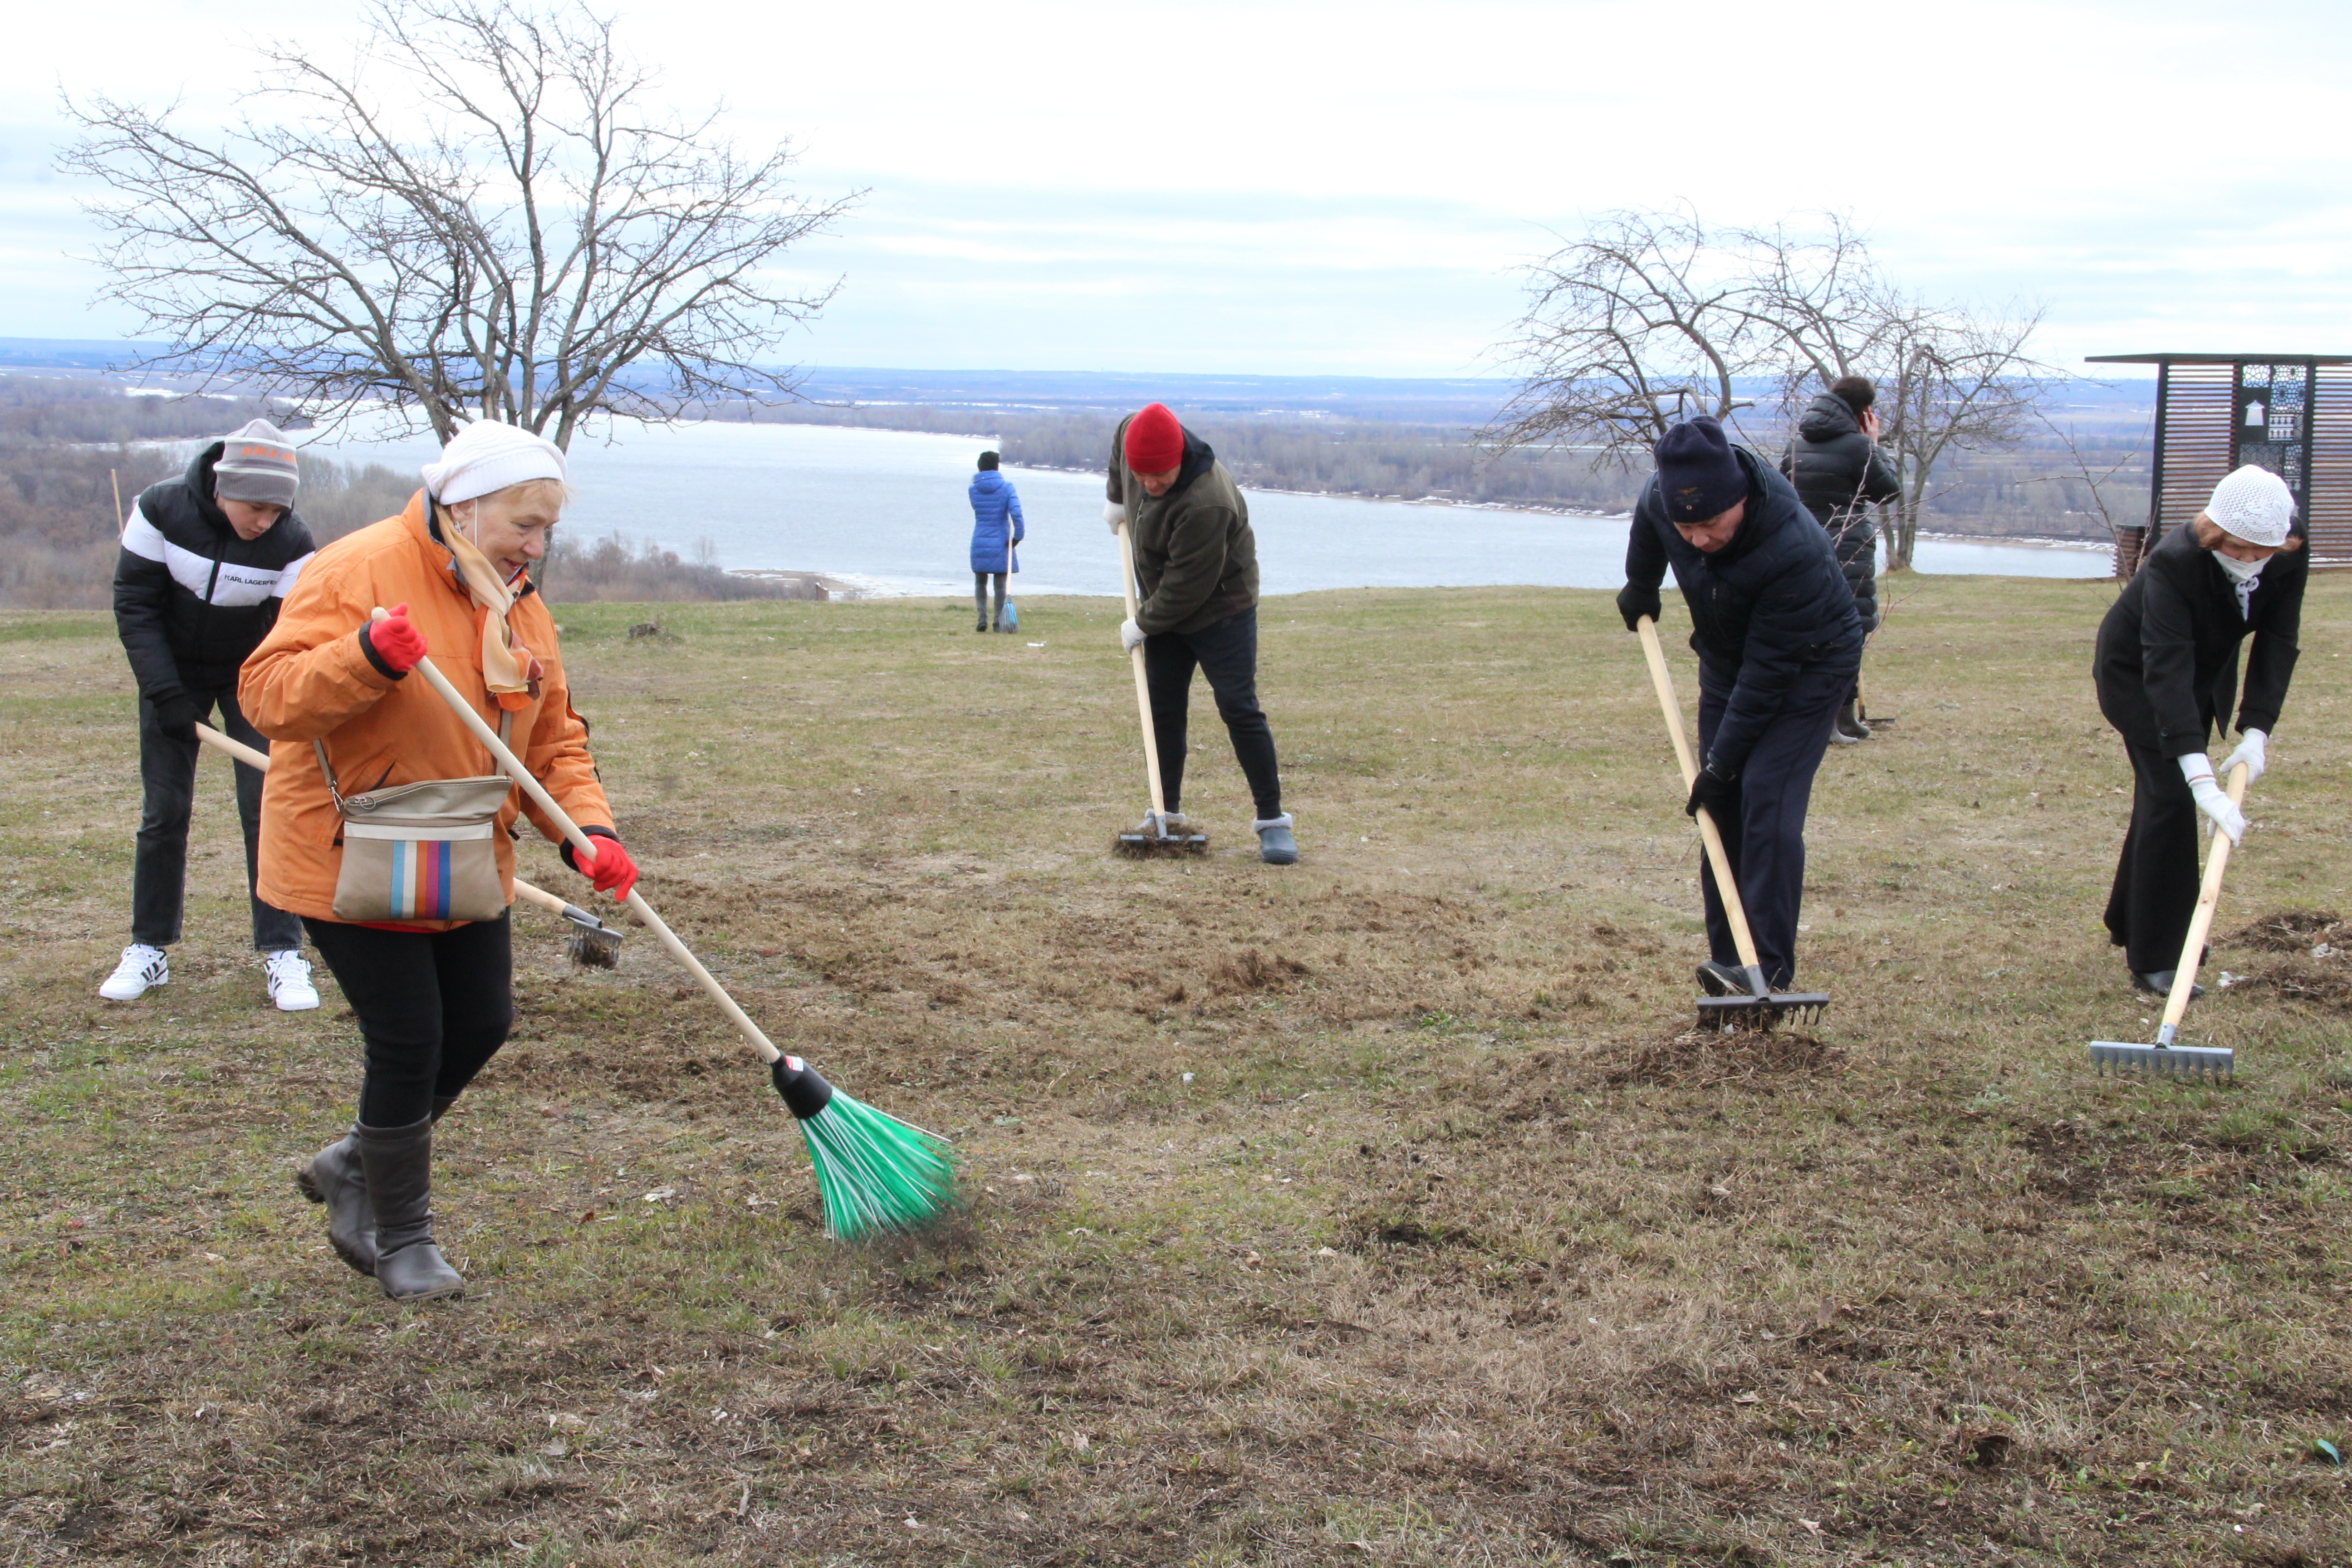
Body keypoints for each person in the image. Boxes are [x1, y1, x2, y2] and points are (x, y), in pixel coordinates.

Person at [241, 420, 639, 1301]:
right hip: (352, 850)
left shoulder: (521, 607)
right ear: (463, 506)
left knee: (481, 1022)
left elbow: (552, 742)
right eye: (521, 525)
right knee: (411, 1036)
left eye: (546, 530)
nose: (534, 546)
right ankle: (397, 1233)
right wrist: (365, 659)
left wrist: (589, 833)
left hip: (461, 851)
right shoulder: (356, 571)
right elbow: (268, 696)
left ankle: (356, 1163)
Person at [1617, 415, 1862, 994]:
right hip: (1728, 660)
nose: (1698, 539)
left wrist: (1721, 767)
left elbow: (1768, 677)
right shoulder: (1665, 498)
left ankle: (1770, 972)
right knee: (1718, 816)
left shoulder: (1791, 546)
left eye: (1711, 524)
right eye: (1688, 526)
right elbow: (1652, 523)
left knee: (1765, 800)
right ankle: (1731, 966)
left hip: (1808, 666)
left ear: (1742, 498)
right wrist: (1641, 583)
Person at [104, 418, 320, 1011]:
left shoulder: (293, 543)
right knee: (164, 811)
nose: (264, 522)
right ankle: (149, 948)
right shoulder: (160, 510)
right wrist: (166, 693)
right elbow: (135, 602)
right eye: (255, 507)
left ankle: (283, 952)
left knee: (267, 806)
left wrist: (266, 693)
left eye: (277, 511)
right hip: (170, 674)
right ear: (222, 488)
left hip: (250, 676)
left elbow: (289, 632)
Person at [2094, 465, 2305, 996]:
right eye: (2239, 548)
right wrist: (2202, 779)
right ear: (2214, 534)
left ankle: (2130, 919)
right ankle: (2159, 956)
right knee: (2171, 796)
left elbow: (2278, 640)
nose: (2253, 560)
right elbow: (2164, 666)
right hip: (2138, 674)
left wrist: (2257, 733)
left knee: (2158, 797)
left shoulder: (2289, 547)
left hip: (2205, 671)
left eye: (2264, 551)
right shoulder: (2174, 562)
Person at [1105, 402, 1296, 864]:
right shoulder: (1134, 436)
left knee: (1238, 706)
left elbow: (1188, 588)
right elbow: (1120, 448)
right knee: (1163, 709)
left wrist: (1142, 624)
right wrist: (1116, 496)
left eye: (1161, 477)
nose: (1150, 485)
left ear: (1179, 460)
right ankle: (1164, 814)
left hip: (1221, 607)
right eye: (1141, 476)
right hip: (1165, 604)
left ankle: (1272, 822)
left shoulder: (1206, 500)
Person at [1780, 375, 1899, 744]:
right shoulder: (1859, 447)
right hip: (1848, 548)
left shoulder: (1796, 446)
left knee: (1810, 630)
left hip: (1801, 547)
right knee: (1849, 631)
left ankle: (1841, 718)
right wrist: (1874, 445)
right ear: (1864, 412)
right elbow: (1888, 490)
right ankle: (1830, 720)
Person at [968, 450, 1025, 632]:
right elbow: (1017, 515)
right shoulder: (1007, 488)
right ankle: (998, 621)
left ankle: (982, 616)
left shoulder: (973, 489)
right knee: (1000, 583)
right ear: (997, 466)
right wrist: (1018, 537)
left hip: (980, 537)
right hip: (1001, 539)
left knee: (980, 581)